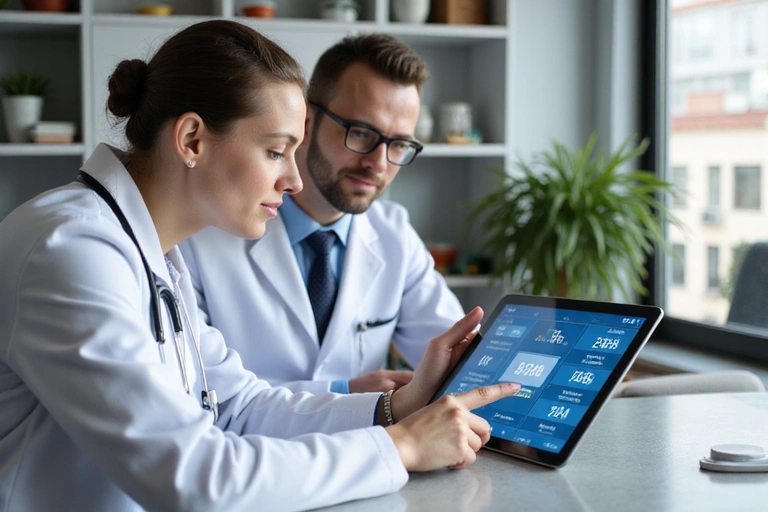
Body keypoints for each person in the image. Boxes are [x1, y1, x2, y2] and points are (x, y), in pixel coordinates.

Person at [0, 20, 520, 511]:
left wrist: (395, 409)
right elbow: (195, 477)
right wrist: (400, 446)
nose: (294, 181)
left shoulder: (151, 253)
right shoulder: (70, 249)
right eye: (276, 152)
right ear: (192, 139)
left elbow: (238, 407)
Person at [178, 33, 465, 395]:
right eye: (361, 133)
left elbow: (460, 357)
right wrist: (344, 394)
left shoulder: (394, 234)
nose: (378, 163)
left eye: (399, 144)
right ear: (306, 121)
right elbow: (196, 388)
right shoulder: (201, 233)